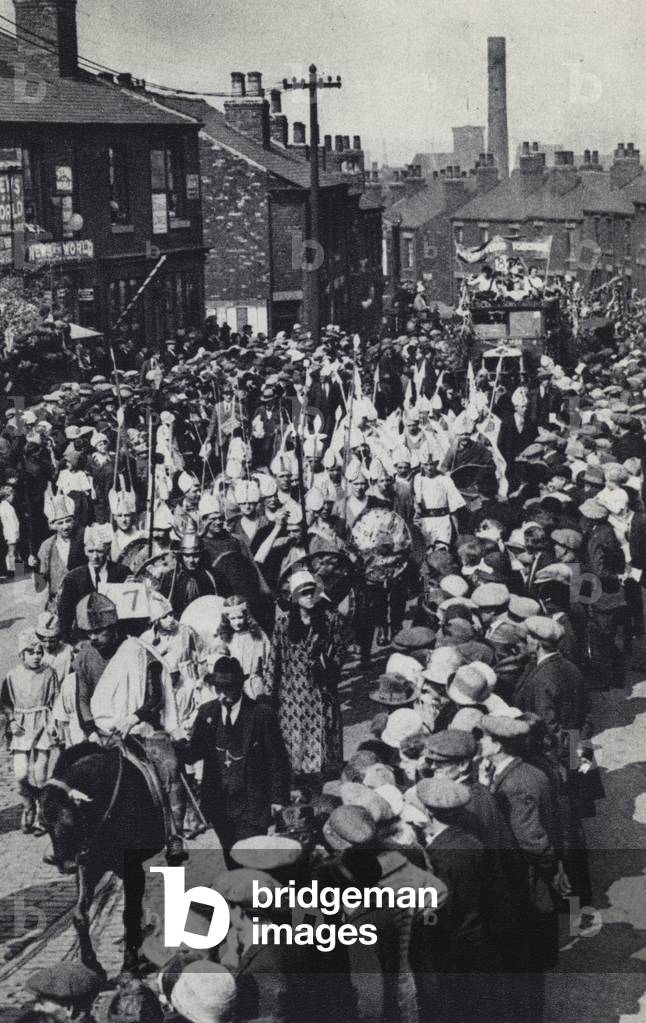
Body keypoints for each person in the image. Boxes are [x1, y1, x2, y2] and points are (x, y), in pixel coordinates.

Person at [182, 655, 290, 857]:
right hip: (219, 804)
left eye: (228, 689)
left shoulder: (262, 715)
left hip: (253, 803)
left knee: (252, 858)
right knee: (231, 856)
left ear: (240, 685)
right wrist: (177, 747)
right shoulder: (207, 712)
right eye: (218, 689)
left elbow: (279, 761)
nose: (222, 695)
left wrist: (278, 799)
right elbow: (194, 753)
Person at [264, 570, 350, 780]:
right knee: (294, 744)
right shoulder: (283, 623)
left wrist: (329, 665)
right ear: (294, 597)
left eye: (313, 592)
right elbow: (273, 659)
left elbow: (341, 649)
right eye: (304, 593)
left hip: (322, 690)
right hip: (292, 696)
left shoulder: (330, 619)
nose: (309, 597)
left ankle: (324, 780)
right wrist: (267, 695)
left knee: (324, 740)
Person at [1, 629, 58, 835]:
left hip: (42, 722)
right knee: (21, 773)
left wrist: (53, 722)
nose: (36, 656)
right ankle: (28, 805)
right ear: (21, 654)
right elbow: (6, 703)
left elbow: (55, 700)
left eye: (39, 652)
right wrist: (11, 719)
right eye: (31, 652)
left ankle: (42, 815)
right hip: (21, 724)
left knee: (40, 774)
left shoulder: (49, 673)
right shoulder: (12, 676)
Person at [57, 523, 131, 642]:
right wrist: (68, 642)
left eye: (100, 551)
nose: (95, 556)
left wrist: (131, 587)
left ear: (108, 550)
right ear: (85, 550)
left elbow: (130, 611)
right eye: (90, 551)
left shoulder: (122, 573)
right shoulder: (73, 578)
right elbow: (65, 614)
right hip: (83, 639)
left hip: (115, 638)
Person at [38, 493, 87, 610]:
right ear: (53, 525)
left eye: (68, 521)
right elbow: (41, 580)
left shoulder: (84, 539)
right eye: (60, 523)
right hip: (57, 602)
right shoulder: (47, 546)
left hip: (83, 599)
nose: (65, 526)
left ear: (74, 520)